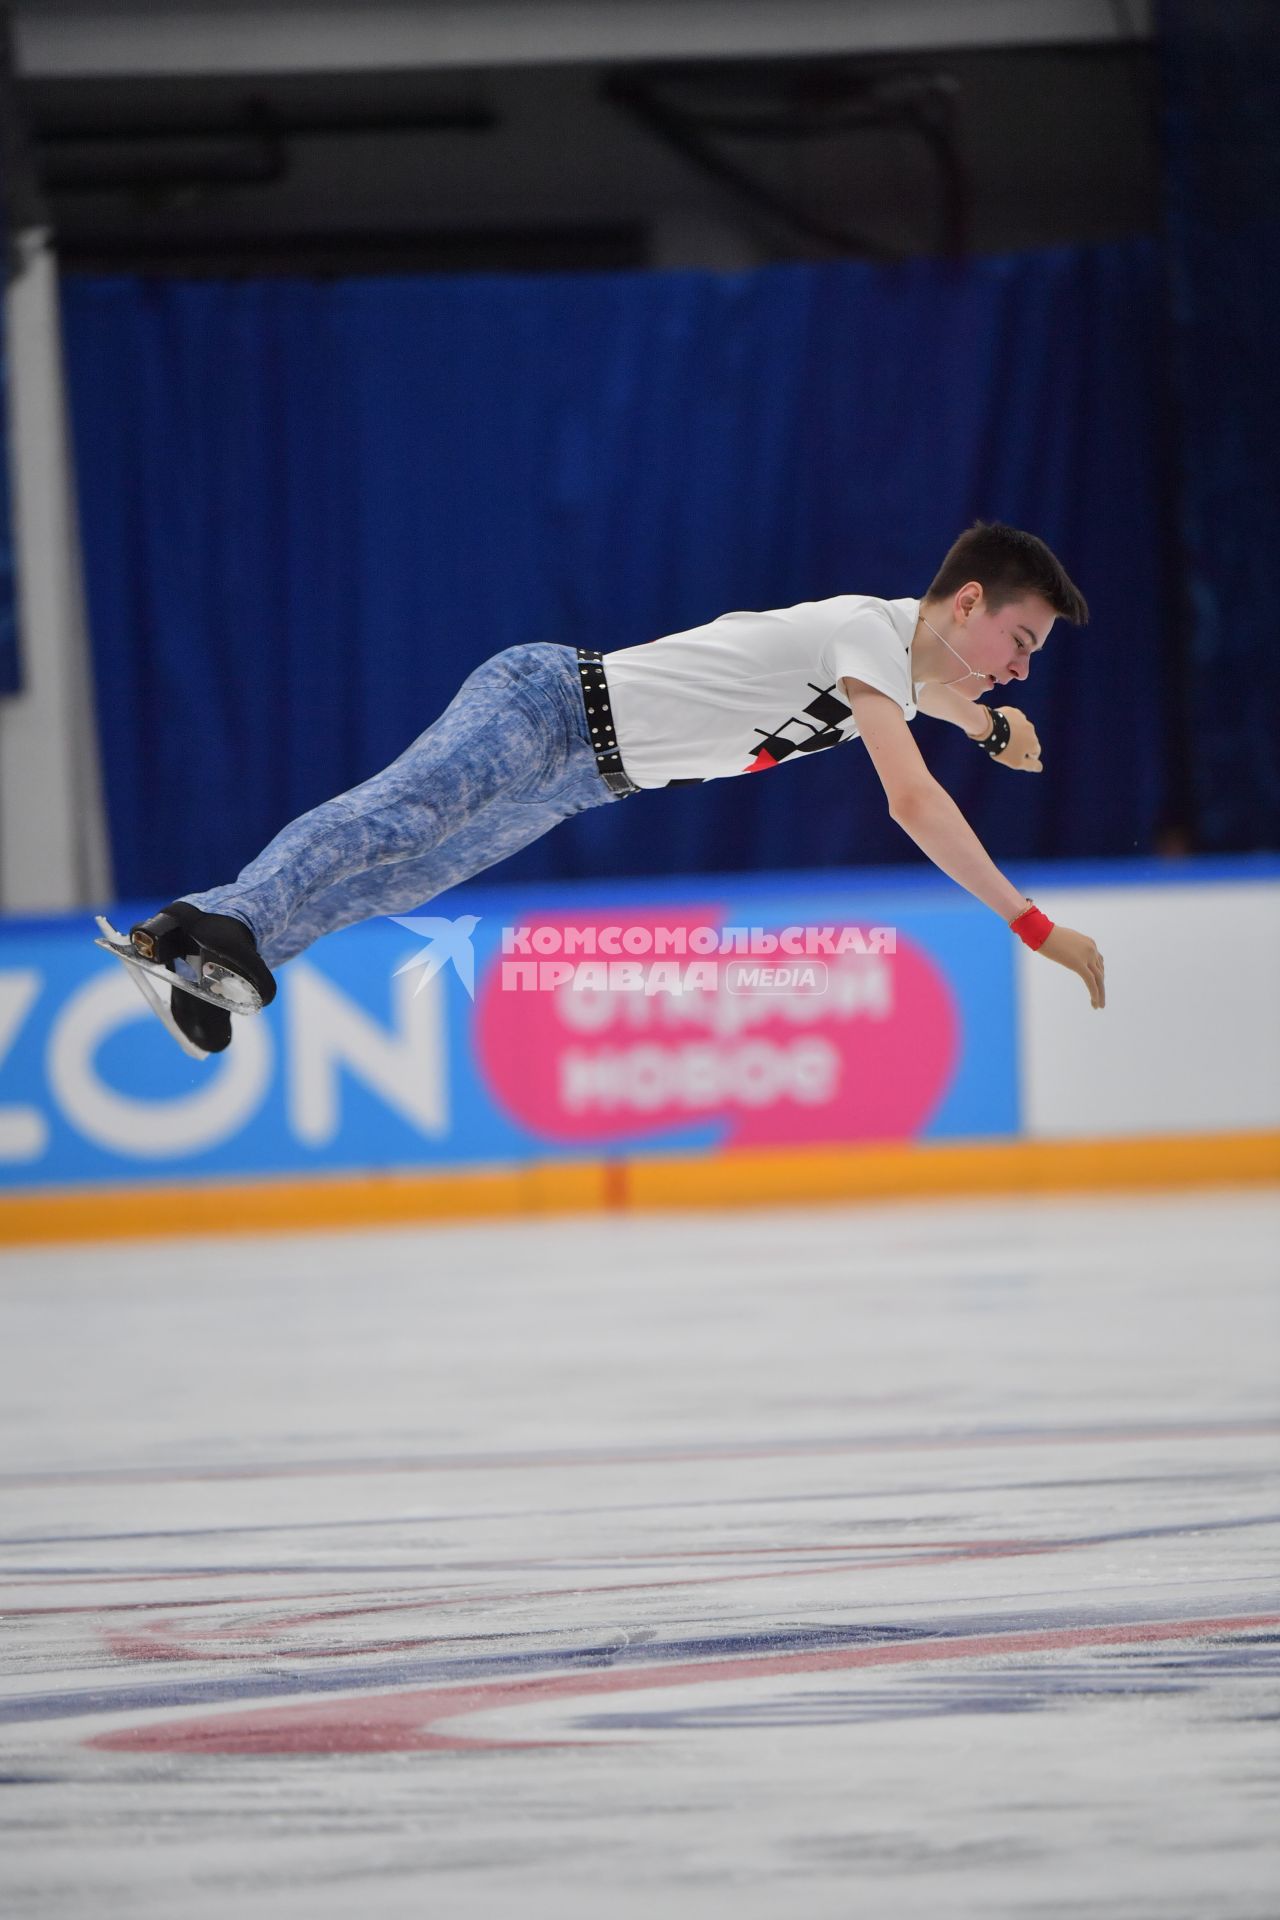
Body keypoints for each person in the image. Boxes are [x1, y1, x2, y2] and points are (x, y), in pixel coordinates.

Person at [125, 520, 1105, 1053]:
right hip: (548, 707)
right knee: (400, 821)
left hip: (578, 781)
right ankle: (230, 924)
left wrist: (987, 725)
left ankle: (188, 942)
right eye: (1018, 642)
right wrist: (1030, 924)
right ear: (967, 600)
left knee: (398, 882)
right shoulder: (869, 632)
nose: (1020, 666)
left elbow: (939, 693)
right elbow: (911, 800)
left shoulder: (904, 659)